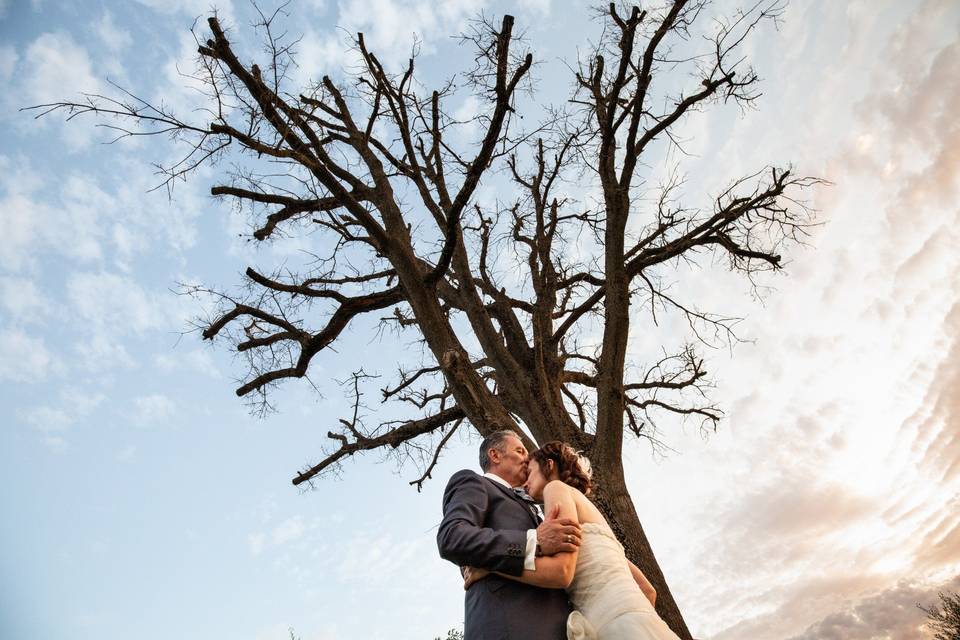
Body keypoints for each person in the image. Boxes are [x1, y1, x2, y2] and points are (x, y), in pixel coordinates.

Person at [463, 441, 679, 640]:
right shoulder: (593, 522)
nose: (526, 482)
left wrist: (490, 566)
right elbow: (648, 590)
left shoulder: (554, 488)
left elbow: (561, 572)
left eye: (530, 472)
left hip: (612, 627)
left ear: (548, 465)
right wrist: (631, 615)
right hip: (639, 620)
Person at [437, 430, 583, 640]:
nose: (527, 457)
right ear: (495, 455)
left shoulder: (536, 504)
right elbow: (452, 537)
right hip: (508, 627)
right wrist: (534, 542)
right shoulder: (474, 482)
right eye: (520, 451)